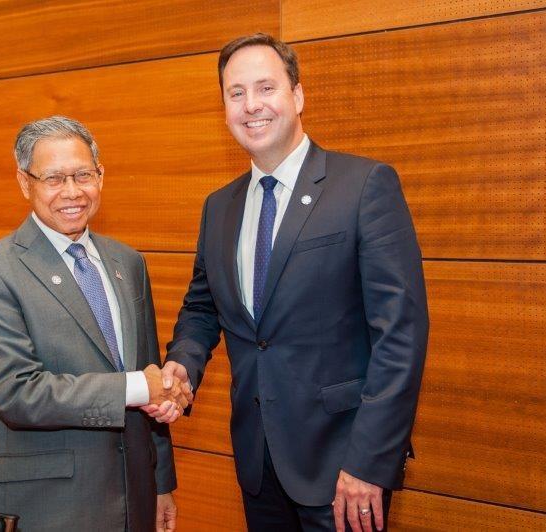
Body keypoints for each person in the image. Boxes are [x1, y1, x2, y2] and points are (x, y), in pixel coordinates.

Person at [146, 34, 429, 531]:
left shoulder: (364, 186)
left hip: (344, 466)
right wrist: (182, 365)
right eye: (236, 93)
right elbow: (202, 308)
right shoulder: (219, 206)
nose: (251, 105)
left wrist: (369, 461)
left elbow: (401, 336)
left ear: (297, 97)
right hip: (258, 462)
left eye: (265, 88)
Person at [0, 116, 191, 532]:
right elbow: (18, 392)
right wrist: (140, 387)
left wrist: (160, 483)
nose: (72, 192)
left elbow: (149, 369)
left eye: (83, 175)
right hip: (50, 505)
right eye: (53, 178)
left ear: (100, 176)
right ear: (24, 182)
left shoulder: (128, 262)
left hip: (134, 496)